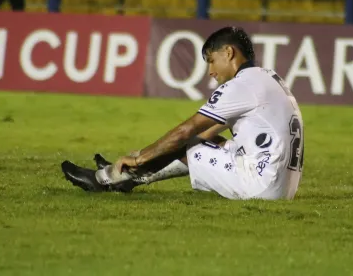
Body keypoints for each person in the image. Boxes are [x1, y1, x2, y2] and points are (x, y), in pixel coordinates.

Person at [61, 27, 305, 200]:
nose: (210, 71)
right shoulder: (267, 77)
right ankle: (127, 177)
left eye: (211, 60)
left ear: (229, 53)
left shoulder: (240, 86)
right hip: (282, 184)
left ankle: (106, 179)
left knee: (187, 141)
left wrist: (139, 159)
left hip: (260, 186)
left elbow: (186, 132)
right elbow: (208, 133)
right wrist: (144, 157)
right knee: (204, 141)